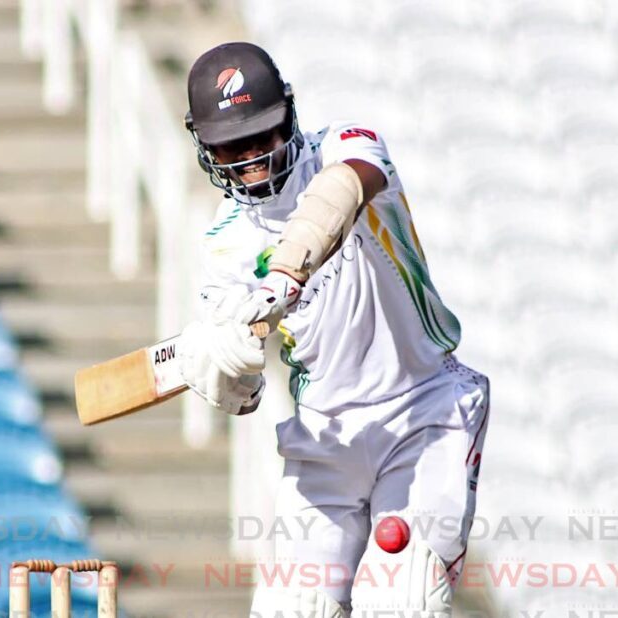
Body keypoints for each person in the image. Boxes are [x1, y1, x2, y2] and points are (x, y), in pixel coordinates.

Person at [177, 41, 490, 617]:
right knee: (292, 609)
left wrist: (285, 275)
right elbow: (241, 398)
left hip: (424, 411)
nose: (250, 158)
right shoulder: (222, 247)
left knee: (402, 598)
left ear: (289, 117)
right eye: (230, 147)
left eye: (261, 135)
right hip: (325, 440)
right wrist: (226, 368)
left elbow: (345, 189)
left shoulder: (344, 146)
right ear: (205, 148)